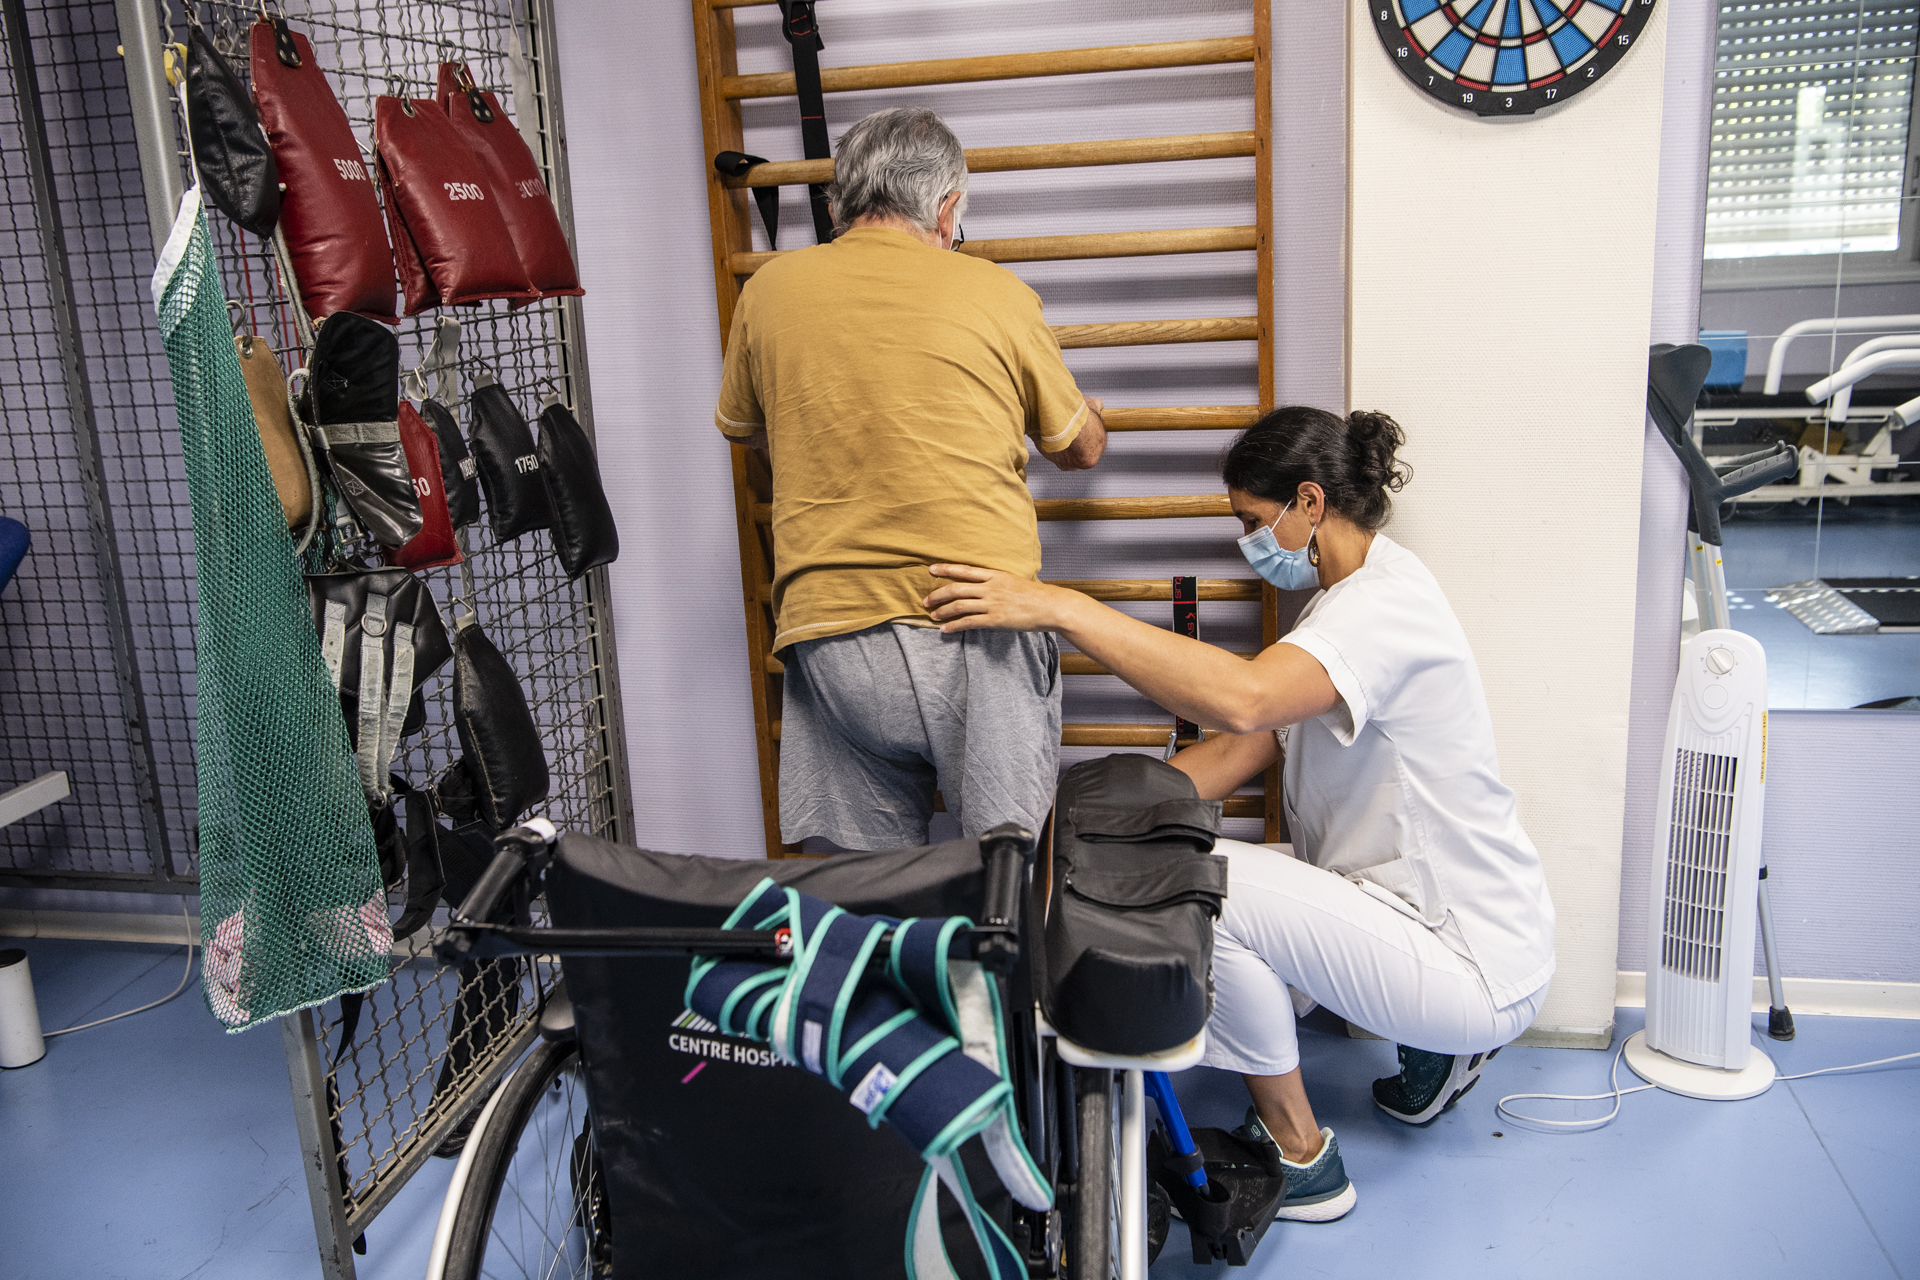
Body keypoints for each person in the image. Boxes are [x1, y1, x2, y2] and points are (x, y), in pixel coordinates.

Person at [921, 406, 1556, 1222]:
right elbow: (1238, 751)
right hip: (1438, 921)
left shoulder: (1383, 609)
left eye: (1253, 521)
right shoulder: (1334, 615)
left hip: (1471, 955)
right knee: (1179, 864)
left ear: (1310, 503)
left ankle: (1302, 1154)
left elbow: (1246, 701)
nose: (1246, 542)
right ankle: (1435, 1045)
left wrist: (1061, 608)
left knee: (1196, 888)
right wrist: (1082, 830)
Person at [713, 106, 1106, 850]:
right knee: (1003, 880)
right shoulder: (996, 293)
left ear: (838, 204)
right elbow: (1078, 450)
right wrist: (1088, 414)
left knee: (870, 901)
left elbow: (754, 431)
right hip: (974, 622)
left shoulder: (766, 291)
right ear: (948, 207)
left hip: (827, 628)